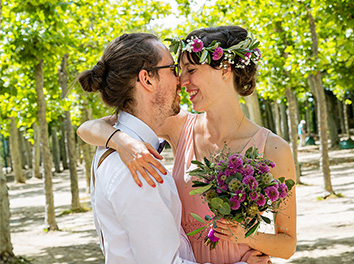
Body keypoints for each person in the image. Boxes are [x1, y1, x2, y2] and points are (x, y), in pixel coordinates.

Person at [78, 26, 296, 263]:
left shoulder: (274, 149)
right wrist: (121, 141)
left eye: (190, 70)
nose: (182, 80)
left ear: (224, 70)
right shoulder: (178, 125)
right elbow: (91, 127)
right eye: (178, 71)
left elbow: (287, 244)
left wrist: (247, 237)